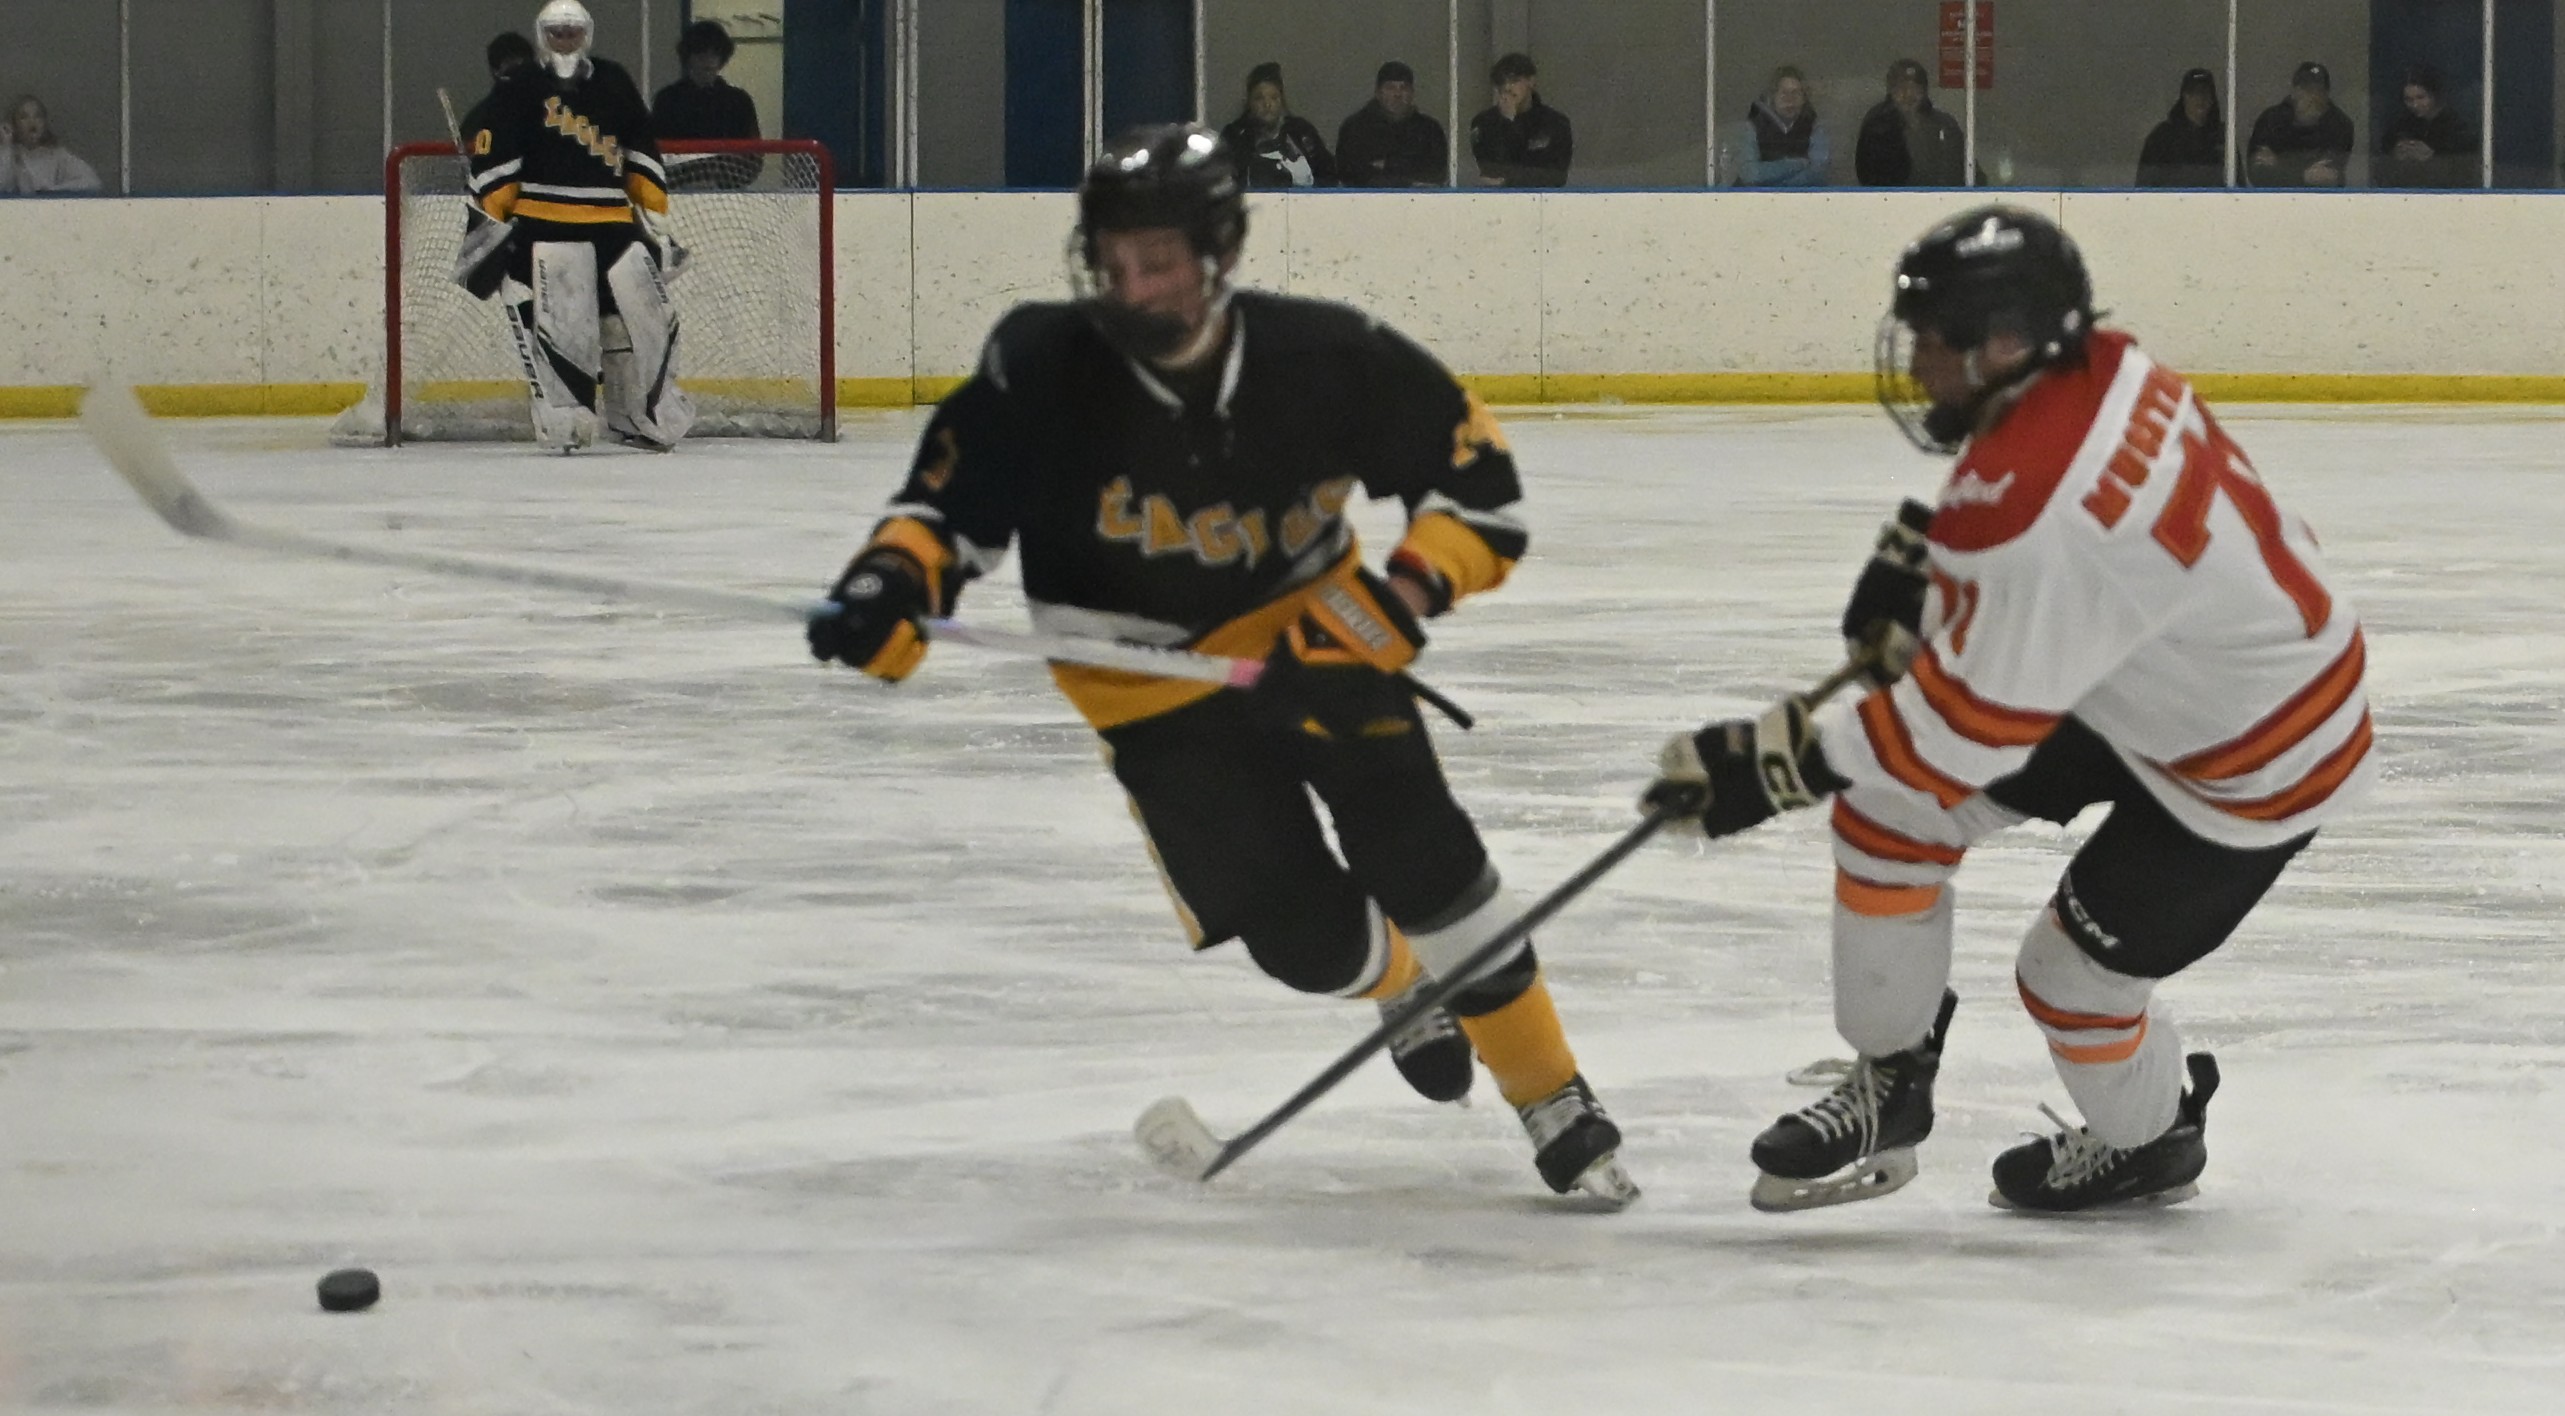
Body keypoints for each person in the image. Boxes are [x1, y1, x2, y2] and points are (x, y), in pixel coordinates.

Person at [805, 124, 1637, 1206]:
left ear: (1219, 254)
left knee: (1426, 856)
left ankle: (1552, 1093)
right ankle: (1404, 984)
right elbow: (946, 512)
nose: (1132, 284)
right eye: (1114, 260)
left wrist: (1390, 607)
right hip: (1147, 696)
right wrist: (893, 584)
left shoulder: (1325, 358)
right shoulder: (1043, 366)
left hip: (1319, 646)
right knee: (1304, 944)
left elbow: (1479, 496)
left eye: (1158, 259)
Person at [1643, 206, 2371, 1214]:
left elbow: (1961, 729)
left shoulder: (2034, 506)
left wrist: (1777, 764)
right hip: (2167, 681)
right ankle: (1891, 1082)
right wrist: (1937, 573)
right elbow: (2056, 573)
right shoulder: (2104, 365)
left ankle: (2155, 1138)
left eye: (1936, 342)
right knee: (1891, 811)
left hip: (2253, 769)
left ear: (2008, 345)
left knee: (2067, 983)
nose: (1917, 363)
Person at [462, 1, 693, 452]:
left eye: (571, 31)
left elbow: (639, 141)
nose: (564, 39)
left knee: (638, 320)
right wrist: (492, 223)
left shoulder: (613, 81)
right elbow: (496, 157)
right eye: (555, 32)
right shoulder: (520, 86)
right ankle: (565, 417)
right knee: (561, 324)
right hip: (543, 226)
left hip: (614, 225)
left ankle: (634, 415)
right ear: (541, 34)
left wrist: (654, 213)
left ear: (585, 33)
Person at [1218, 63, 1334, 189]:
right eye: (1259, 98)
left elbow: (1328, 176)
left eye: (1274, 98)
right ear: (1249, 102)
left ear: (1282, 101)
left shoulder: (1301, 132)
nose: (1267, 104)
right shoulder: (1234, 137)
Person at [1855, 59, 1968, 187]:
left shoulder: (1945, 125)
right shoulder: (1877, 124)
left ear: (1924, 91)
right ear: (1891, 91)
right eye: (1901, 88)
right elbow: (1866, 174)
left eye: (1915, 88)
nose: (1908, 94)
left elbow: (1966, 171)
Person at [1336, 61, 1447, 188]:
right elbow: (1349, 173)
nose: (1397, 94)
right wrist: (1406, 173)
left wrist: (1389, 164)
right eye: (1390, 88)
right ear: (1378, 93)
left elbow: (1437, 172)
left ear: (1412, 93)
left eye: (1404, 88)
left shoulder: (1429, 130)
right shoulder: (1355, 128)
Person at [2245, 62, 2352, 188]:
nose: (2312, 97)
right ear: (2294, 91)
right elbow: (2258, 174)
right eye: (2306, 89)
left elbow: (2328, 178)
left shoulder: (2339, 124)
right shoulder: (2271, 120)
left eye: (2318, 90)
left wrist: (2279, 166)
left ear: (2326, 94)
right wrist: (2303, 176)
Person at [1469, 53, 1570, 188]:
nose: (1507, 88)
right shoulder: (1484, 123)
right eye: (1501, 82)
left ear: (1531, 81)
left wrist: (1510, 180)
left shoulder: (1555, 123)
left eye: (1514, 80)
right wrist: (1507, 122)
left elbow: (1555, 176)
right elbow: (1491, 170)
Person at [2377, 64, 2476, 189]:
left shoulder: (2456, 128)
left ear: (2434, 95)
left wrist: (2434, 158)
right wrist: (2396, 154)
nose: (2415, 105)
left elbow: (2464, 171)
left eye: (2421, 97)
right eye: (2408, 99)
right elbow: (2382, 164)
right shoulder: (2401, 125)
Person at [1732, 66, 1830, 187]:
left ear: (1804, 98)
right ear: (1772, 96)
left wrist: (1782, 189)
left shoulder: (1814, 127)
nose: (1790, 100)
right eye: (1784, 93)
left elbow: (1818, 173)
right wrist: (1797, 164)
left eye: (1796, 93)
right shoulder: (1752, 127)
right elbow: (1750, 174)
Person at [2135, 68, 2225, 188]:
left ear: (2212, 99)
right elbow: (2144, 185)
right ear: (2183, 97)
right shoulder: (2161, 138)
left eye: (2205, 92)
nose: (2200, 98)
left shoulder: (2222, 137)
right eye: (2193, 92)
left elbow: (2237, 184)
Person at [1, 95, 104, 195]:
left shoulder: (58, 155)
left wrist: (52, 191)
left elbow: (93, 182)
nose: (31, 122)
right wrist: (7, 145)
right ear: (14, 123)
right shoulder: (9, 154)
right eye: (24, 117)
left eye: (38, 116)